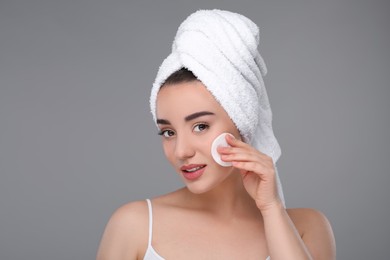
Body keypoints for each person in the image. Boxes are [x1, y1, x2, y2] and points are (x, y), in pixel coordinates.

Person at [97, 9, 336, 260]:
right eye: (168, 132)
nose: (181, 151)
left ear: (242, 122)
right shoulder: (135, 226)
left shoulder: (308, 227)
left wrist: (272, 209)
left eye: (200, 126)